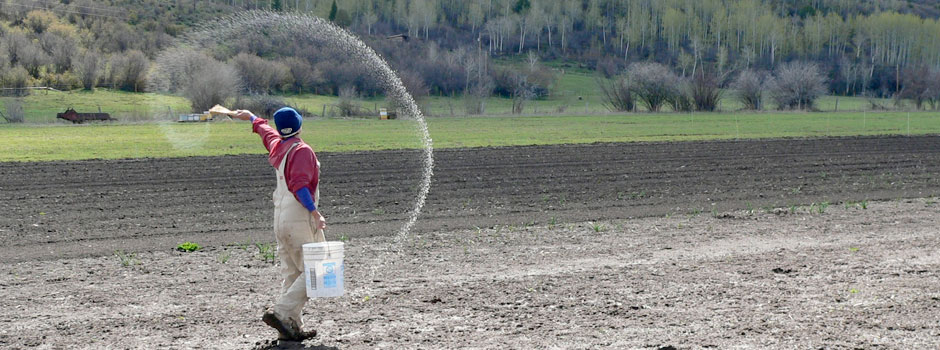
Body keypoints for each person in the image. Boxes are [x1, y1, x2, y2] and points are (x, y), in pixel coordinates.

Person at [232, 107, 326, 341]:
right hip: (299, 217)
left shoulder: (278, 146)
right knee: (316, 269)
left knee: (292, 273)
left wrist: (252, 118)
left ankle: (290, 329)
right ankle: (282, 313)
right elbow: (300, 185)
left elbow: (266, 132)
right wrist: (315, 213)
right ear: (300, 125)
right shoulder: (302, 150)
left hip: (280, 219)